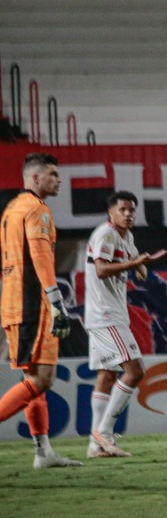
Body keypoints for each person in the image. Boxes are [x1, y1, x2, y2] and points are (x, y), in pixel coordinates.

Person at [0, 153, 80, 468]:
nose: (58, 179)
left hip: (13, 302)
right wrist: (56, 300)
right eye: (53, 174)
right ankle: (42, 450)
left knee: (32, 377)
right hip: (33, 303)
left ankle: (43, 451)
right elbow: (40, 254)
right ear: (35, 178)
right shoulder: (36, 209)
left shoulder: (11, 209)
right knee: (43, 379)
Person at [83, 190, 166, 458]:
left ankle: (96, 446)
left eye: (132, 210)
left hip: (107, 314)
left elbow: (140, 273)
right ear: (111, 212)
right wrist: (133, 262)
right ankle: (104, 433)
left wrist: (143, 263)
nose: (129, 214)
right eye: (123, 209)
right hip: (106, 315)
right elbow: (101, 269)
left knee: (107, 376)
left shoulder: (125, 236)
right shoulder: (106, 234)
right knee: (135, 371)